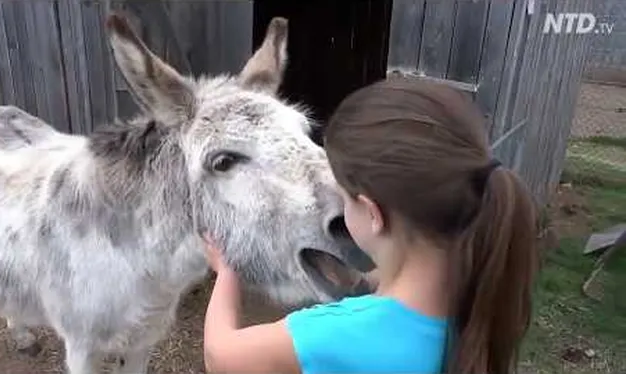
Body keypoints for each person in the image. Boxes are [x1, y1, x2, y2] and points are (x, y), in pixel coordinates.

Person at [201, 76, 540, 374]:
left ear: (372, 213)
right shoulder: (481, 292)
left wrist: (227, 271)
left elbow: (221, 356)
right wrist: (368, 280)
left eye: (343, 199)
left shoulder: (335, 335)